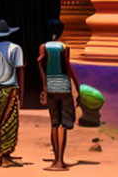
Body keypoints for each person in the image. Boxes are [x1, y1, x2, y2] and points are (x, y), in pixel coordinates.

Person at [38, 19, 80, 171]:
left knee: (54, 123)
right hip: (64, 86)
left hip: (51, 87)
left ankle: (56, 161)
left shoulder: (44, 47)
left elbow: (40, 62)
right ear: (61, 32)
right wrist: (78, 88)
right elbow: (68, 69)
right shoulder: (64, 47)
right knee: (63, 124)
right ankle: (60, 162)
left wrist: (44, 86)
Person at [0, 19, 25, 168]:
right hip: (10, 89)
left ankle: (1, 153)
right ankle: (5, 156)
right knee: (10, 123)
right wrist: (21, 93)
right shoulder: (16, 49)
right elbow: (20, 70)